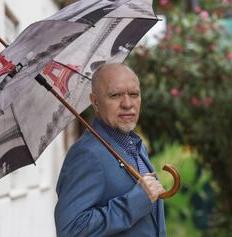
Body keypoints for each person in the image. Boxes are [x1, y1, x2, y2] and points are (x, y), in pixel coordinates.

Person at [54, 63, 167, 237]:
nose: (127, 104)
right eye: (115, 95)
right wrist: (135, 202)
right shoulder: (87, 154)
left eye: (134, 94)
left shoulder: (136, 146)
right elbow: (70, 230)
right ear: (95, 102)